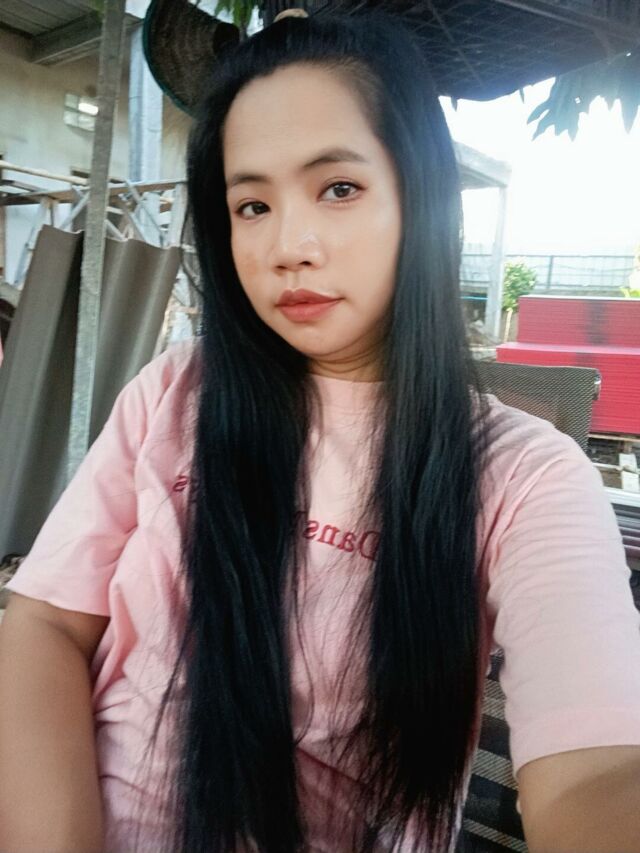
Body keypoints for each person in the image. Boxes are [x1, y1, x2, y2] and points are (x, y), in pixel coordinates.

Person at [1, 7, 640, 853]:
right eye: (252, 204)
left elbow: (598, 772)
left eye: (338, 188)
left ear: (421, 198)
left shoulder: (527, 478)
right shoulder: (175, 390)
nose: (287, 246)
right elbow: (44, 622)